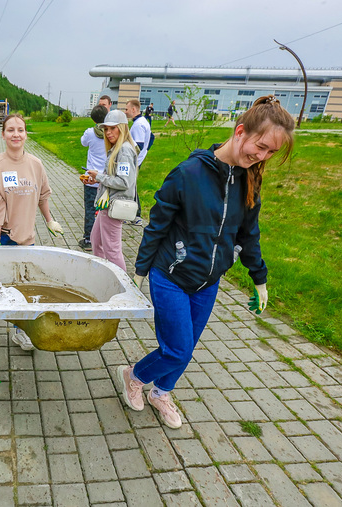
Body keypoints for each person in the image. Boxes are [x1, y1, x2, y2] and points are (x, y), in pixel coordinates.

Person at [120, 95, 294, 429]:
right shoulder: (188, 173)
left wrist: (260, 278)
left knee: (187, 346)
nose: (263, 157)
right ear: (240, 131)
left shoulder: (250, 178)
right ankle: (134, 374)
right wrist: (140, 272)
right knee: (178, 350)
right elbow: (158, 224)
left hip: (207, 282)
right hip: (170, 275)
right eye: (261, 147)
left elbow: (248, 234)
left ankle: (162, 392)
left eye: (271, 152)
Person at [0, 113, 63, 351]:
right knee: (1, 286)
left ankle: (20, 331)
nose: (16, 134)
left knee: (24, 286)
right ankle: (9, 322)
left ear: (26, 134)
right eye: (11, 130)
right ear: (3, 134)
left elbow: (43, 195)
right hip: (0, 236)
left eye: (20, 130)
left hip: (25, 237)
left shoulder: (36, 164)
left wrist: (50, 221)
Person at [84, 109, 138, 272]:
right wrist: (99, 178)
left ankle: (122, 287)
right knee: (96, 240)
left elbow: (124, 182)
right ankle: (102, 275)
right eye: (106, 129)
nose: (108, 132)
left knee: (112, 250)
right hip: (107, 204)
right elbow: (116, 178)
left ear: (122, 128)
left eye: (112, 128)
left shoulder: (124, 150)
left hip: (114, 206)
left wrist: (100, 177)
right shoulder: (117, 148)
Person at [78, 105, 108, 252]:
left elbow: (83, 143)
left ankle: (88, 239)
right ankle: (102, 239)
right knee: (104, 210)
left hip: (90, 178)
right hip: (105, 179)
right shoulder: (110, 132)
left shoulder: (90, 132)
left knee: (90, 209)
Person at [126, 98, 152, 226]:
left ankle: (136, 215)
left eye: (127, 109)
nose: (125, 112)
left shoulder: (138, 124)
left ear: (133, 109)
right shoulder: (142, 122)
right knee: (131, 186)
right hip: (138, 159)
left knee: (131, 186)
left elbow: (138, 145)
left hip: (135, 160)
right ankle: (133, 214)